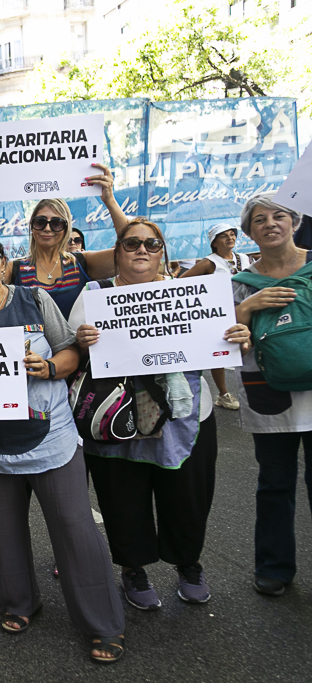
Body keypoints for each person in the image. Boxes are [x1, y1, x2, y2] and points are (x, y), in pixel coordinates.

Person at [0, 233, 126, 664]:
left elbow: (70, 353)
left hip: (50, 437)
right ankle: (18, 602)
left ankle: (103, 622)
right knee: (2, 531)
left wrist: (49, 367)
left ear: (3, 261)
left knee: (75, 528)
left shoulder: (35, 300)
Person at [70, 218, 251, 610]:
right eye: (132, 243)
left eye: (152, 244)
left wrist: (236, 336)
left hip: (186, 417)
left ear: (162, 252)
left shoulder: (190, 296)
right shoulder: (94, 295)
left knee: (187, 497)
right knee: (122, 498)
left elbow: (217, 346)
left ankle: (189, 564)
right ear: (117, 251)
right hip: (116, 416)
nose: (142, 250)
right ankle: (133, 568)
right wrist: (82, 343)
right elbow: (72, 354)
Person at [231, 193, 312, 597]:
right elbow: (225, 341)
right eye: (259, 219)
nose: (270, 224)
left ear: (295, 222)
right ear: (249, 232)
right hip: (268, 396)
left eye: (279, 215)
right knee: (274, 482)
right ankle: (274, 566)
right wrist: (248, 308)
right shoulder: (240, 285)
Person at [0, 164, 128, 319]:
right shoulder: (14, 268)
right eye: (40, 222)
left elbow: (130, 249)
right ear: (32, 227)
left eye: (56, 223)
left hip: (78, 336)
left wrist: (110, 200)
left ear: (66, 228)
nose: (47, 228)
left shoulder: (82, 262)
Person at [181, 223, 254, 410]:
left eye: (232, 234)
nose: (230, 238)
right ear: (214, 242)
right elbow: (182, 283)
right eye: (224, 235)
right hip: (221, 314)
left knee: (250, 349)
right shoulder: (209, 262)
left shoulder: (245, 258)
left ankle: (255, 390)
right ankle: (223, 394)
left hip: (247, 311)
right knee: (220, 353)